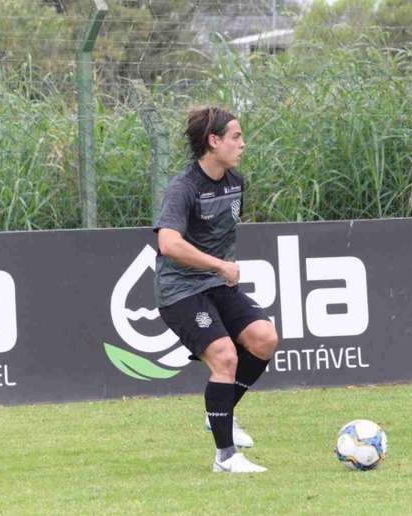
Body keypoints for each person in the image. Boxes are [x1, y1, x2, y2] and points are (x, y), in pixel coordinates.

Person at [153, 107, 279, 473]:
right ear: (214, 141)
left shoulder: (235, 183)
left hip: (216, 285)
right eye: (235, 136)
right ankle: (225, 457)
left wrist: (221, 269)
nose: (242, 144)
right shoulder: (183, 188)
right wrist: (221, 265)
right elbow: (168, 244)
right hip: (179, 290)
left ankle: (221, 412)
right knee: (225, 357)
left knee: (264, 339)